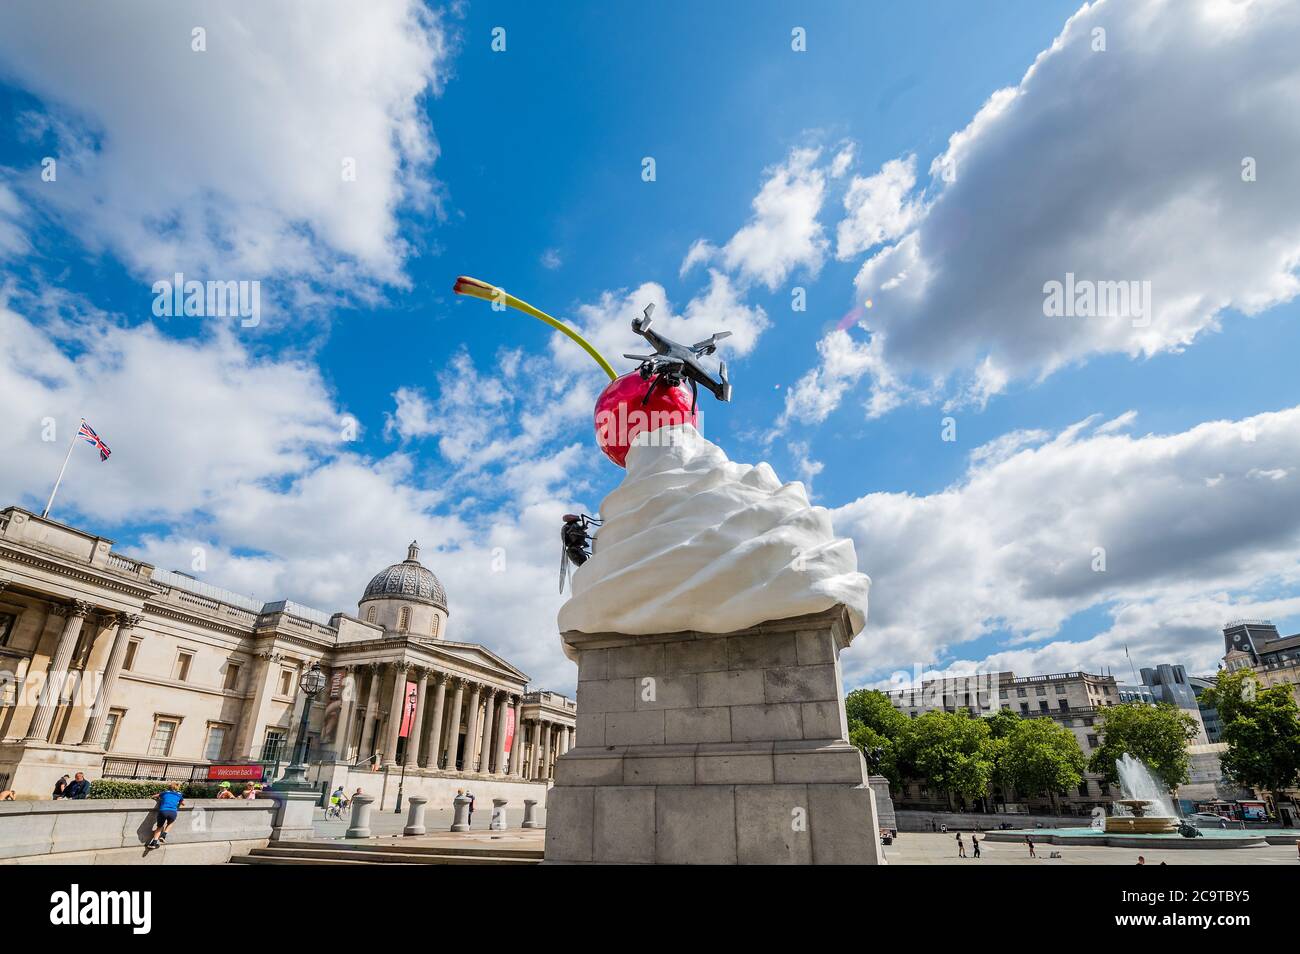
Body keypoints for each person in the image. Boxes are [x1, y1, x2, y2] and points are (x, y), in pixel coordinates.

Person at [146, 784, 185, 849]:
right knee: (170, 823)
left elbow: (154, 796)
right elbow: (183, 803)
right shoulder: (179, 794)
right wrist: (178, 802)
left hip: (163, 811)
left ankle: (153, 843)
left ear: (169, 788)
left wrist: (160, 798)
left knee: (159, 827)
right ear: (177, 788)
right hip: (173, 812)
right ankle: (163, 835)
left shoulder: (165, 793)